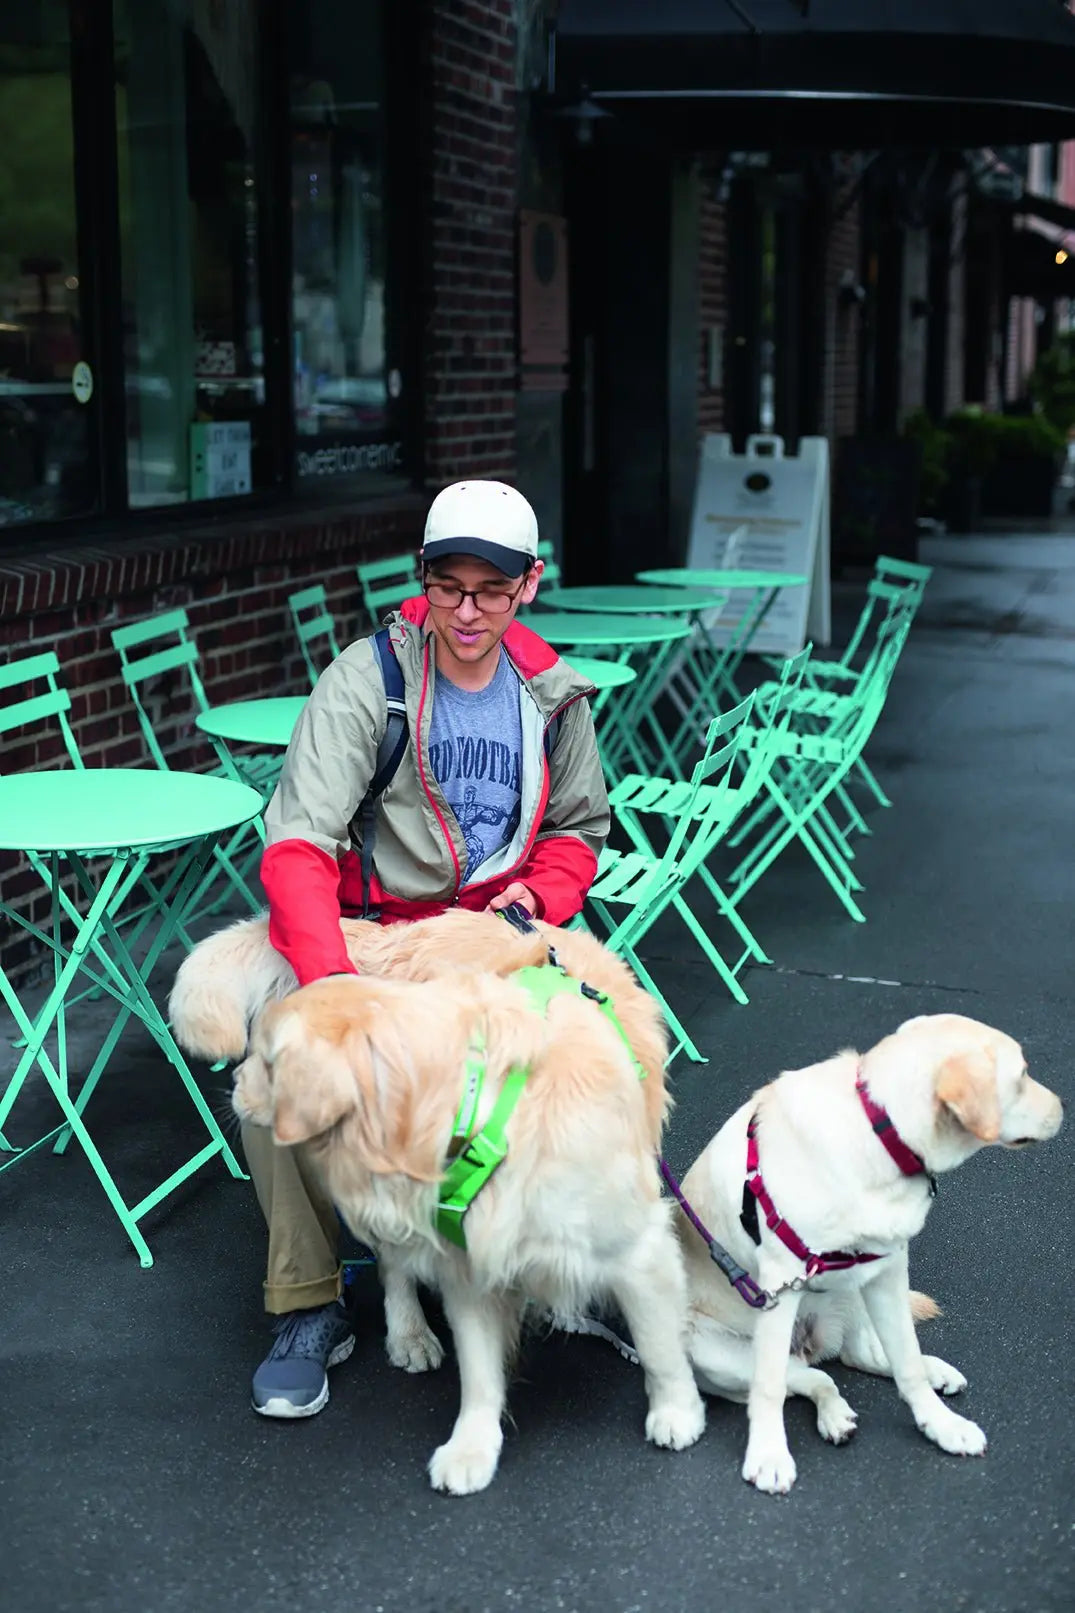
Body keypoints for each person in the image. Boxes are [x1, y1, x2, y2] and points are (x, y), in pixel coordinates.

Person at [244, 478, 611, 1418]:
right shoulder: (367, 679)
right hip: (375, 933)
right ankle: (309, 1301)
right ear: (423, 579)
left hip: (493, 936)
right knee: (281, 1052)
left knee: (597, 1051)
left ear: (530, 584)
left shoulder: (553, 695)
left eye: (491, 589)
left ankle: (546, 1262)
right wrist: (332, 989)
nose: (467, 610)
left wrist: (544, 891)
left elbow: (579, 829)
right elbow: (295, 844)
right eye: (448, 586)